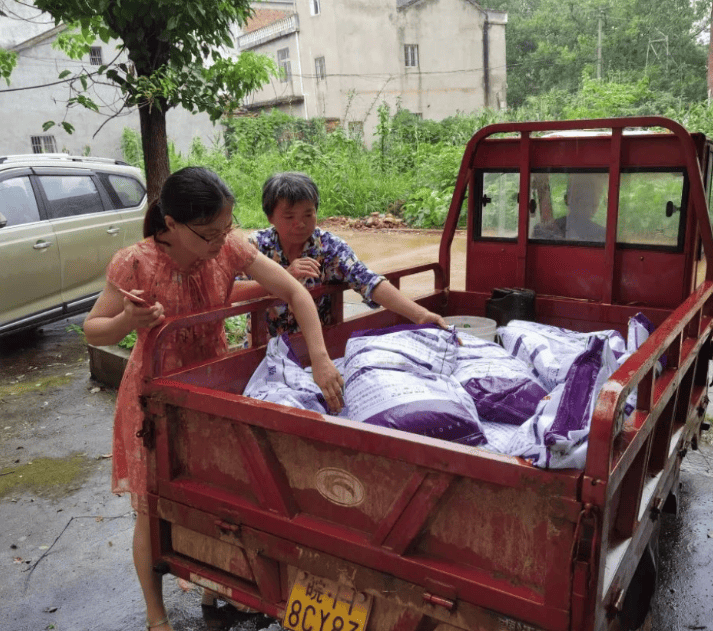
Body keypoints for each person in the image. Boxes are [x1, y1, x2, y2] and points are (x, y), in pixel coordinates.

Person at [83, 167, 343, 631]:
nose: (220, 241)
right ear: (171, 225)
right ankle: (156, 615)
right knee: (151, 508)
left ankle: (214, 585)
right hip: (155, 399)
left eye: (226, 228)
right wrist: (128, 320)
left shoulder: (230, 246)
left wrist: (321, 359)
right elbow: (93, 328)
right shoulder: (134, 262)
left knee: (217, 496)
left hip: (213, 388)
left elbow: (294, 292)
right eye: (208, 234)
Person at [243, 171, 448, 336]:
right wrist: (283, 278)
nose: (301, 224)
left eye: (309, 213)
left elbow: (367, 280)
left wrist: (420, 315)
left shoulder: (328, 247)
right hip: (260, 351)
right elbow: (229, 290)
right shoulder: (254, 246)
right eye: (289, 217)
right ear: (270, 217)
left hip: (313, 351)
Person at [532, 172, 607, 242]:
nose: (586, 200)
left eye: (593, 196)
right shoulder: (543, 232)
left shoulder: (603, 235)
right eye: (580, 196)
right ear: (567, 199)